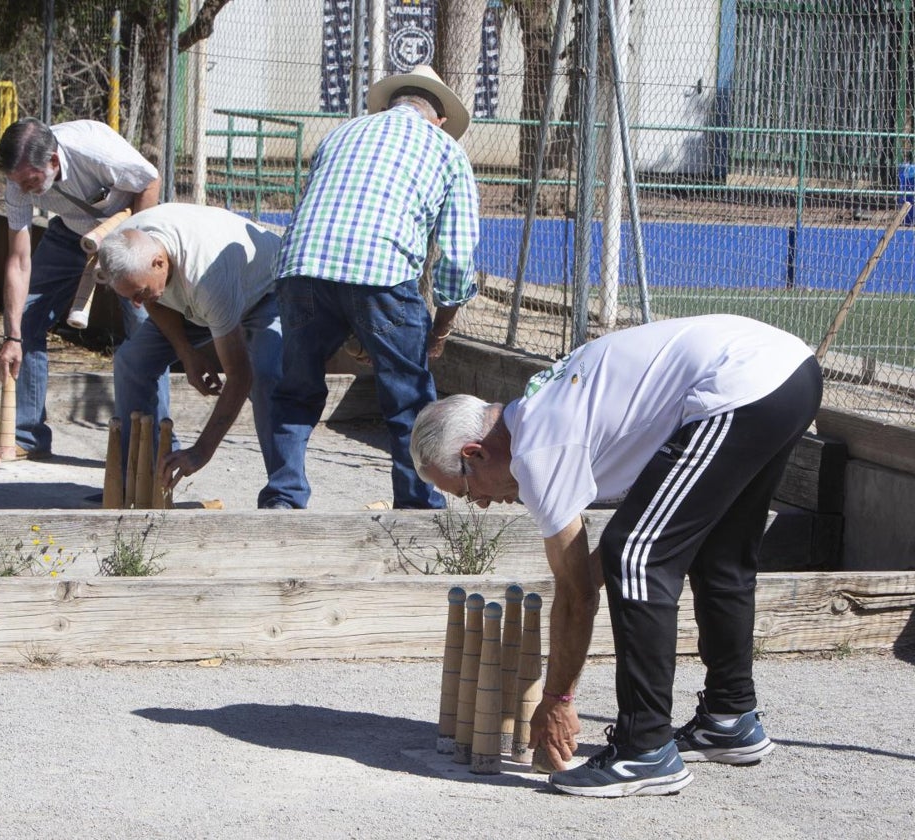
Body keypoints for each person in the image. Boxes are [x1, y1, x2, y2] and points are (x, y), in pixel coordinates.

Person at [409, 314, 822, 797]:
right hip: (786, 373)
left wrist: (557, 698)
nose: (478, 503)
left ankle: (644, 750)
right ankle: (729, 719)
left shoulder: (539, 449)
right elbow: (601, 558)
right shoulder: (538, 412)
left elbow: (578, 594)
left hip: (740, 385)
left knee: (636, 555)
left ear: (476, 452)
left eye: (464, 490)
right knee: (718, 553)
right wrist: (587, 578)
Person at [257, 65, 480, 510]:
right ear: (438, 118)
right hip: (383, 272)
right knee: (409, 403)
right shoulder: (445, 150)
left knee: (295, 390)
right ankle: (417, 508)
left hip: (301, 266)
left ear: (394, 103)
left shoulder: (341, 134)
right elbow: (457, 254)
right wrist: (441, 326)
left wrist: (350, 324)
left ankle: (283, 500)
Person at [0, 117, 165, 460]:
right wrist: (11, 337)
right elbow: (18, 260)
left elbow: (149, 181)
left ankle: (152, 449)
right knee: (26, 318)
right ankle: (28, 436)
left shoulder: (94, 151)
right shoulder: (18, 180)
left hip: (128, 228)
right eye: (18, 183)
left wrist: (132, 253)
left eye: (30, 181)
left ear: (54, 162)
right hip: (73, 232)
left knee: (146, 335)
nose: (23, 190)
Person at [95, 203, 283, 492]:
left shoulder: (206, 275)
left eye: (140, 292)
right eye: (129, 296)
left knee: (266, 376)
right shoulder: (126, 246)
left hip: (263, 290)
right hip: (194, 303)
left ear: (159, 262)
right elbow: (154, 300)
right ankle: (140, 483)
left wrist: (202, 450)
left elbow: (239, 376)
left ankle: (284, 492)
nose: (137, 303)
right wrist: (186, 352)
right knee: (132, 361)